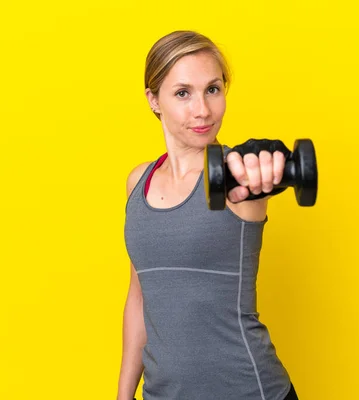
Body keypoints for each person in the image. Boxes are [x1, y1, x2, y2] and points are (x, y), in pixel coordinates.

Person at [118, 30, 299, 400]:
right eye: (183, 93)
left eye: (213, 90)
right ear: (154, 100)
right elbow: (140, 296)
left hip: (249, 391)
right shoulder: (139, 181)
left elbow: (262, 161)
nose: (202, 109)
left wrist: (268, 157)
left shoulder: (238, 176)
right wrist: (123, 394)